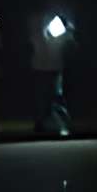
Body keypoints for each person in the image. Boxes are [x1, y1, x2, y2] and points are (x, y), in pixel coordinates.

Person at [29, 7, 73, 136]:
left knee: (50, 98)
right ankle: (46, 124)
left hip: (49, 69)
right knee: (48, 98)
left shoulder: (51, 35)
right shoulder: (45, 34)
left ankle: (53, 124)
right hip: (47, 69)